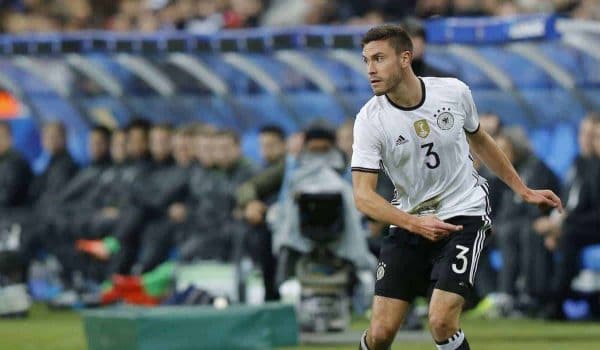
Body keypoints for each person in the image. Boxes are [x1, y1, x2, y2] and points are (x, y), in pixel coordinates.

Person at [352, 24, 562, 350]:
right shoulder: (370, 119)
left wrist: (522, 189)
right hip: (412, 221)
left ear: (405, 58)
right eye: (366, 60)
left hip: (463, 214)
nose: (370, 70)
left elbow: (480, 138)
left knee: (441, 319)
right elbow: (363, 196)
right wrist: (414, 222)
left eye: (379, 58)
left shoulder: (453, 92)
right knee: (380, 333)